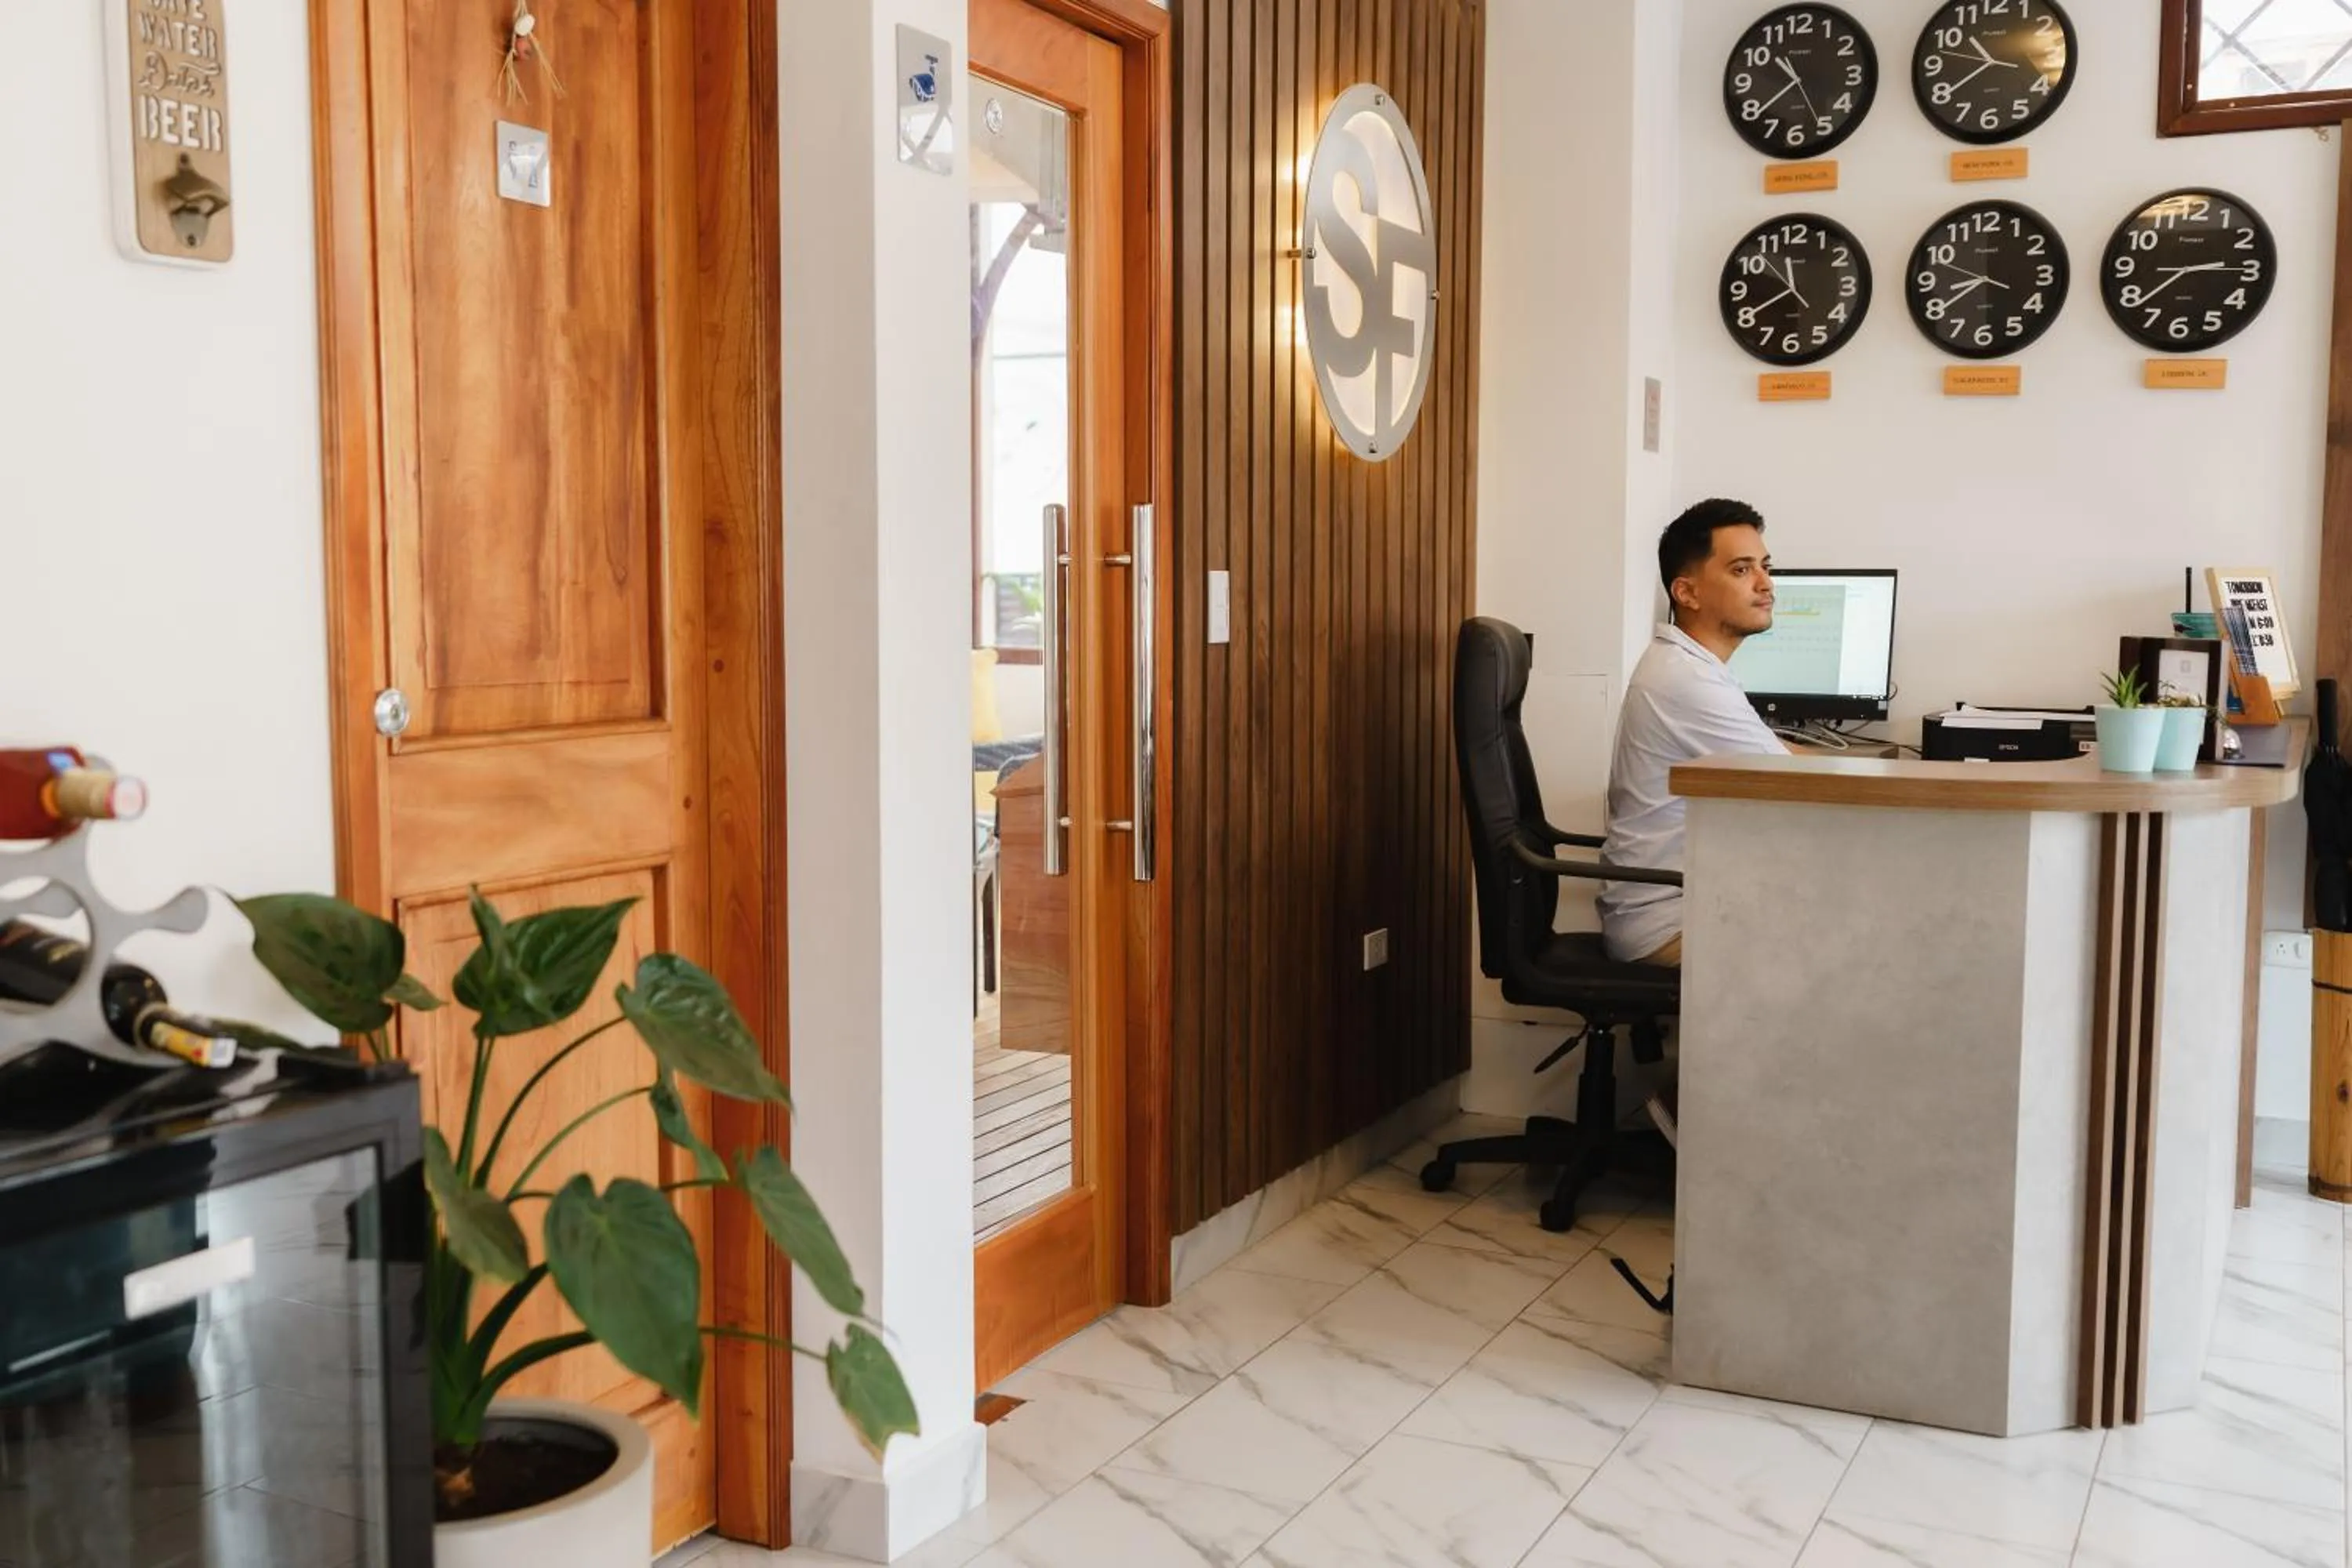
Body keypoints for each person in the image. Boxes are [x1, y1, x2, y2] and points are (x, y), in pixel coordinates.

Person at [1598, 499, 1791, 970]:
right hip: (1670, 926)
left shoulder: (1691, 665)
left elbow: (1778, 752)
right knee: (1853, 944)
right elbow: (1798, 780)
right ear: (1687, 592)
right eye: (1742, 570)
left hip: (1687, 903)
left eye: (1765, 567)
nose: (1765, 584)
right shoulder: (1686, 681)